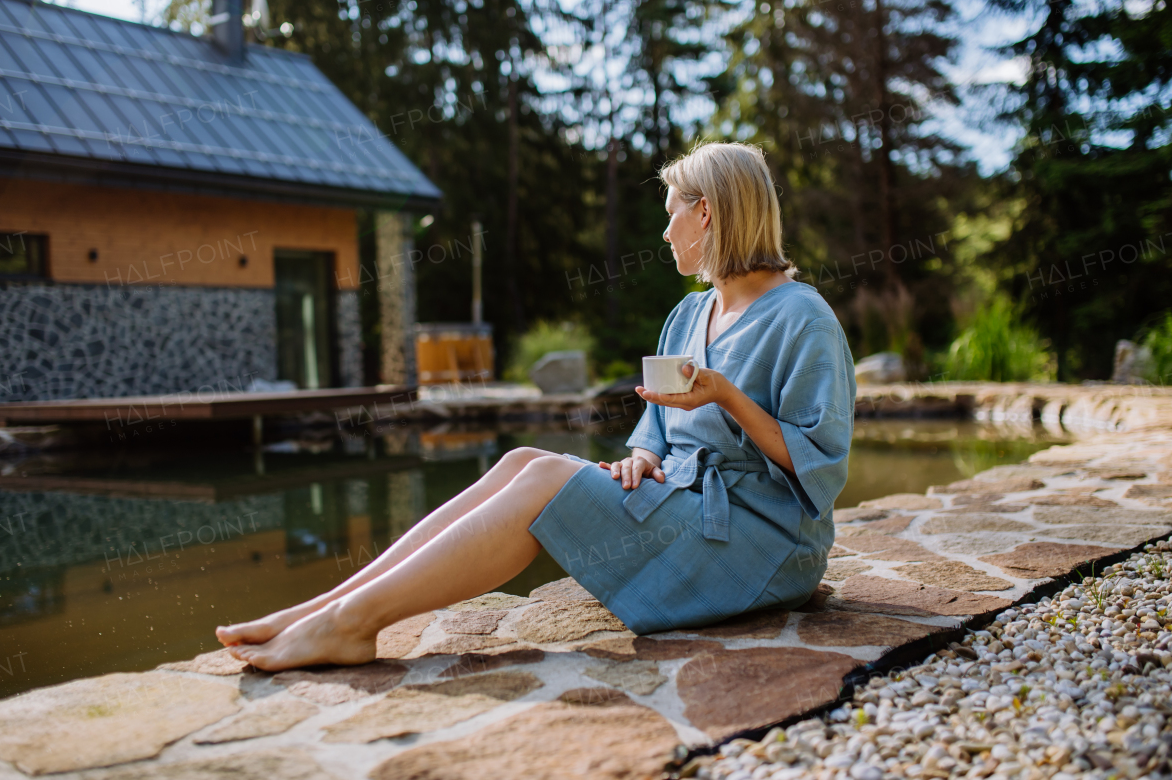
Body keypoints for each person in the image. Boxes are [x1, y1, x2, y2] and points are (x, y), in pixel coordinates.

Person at [218, 141, 856, 671]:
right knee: (522, 456)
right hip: (688, 506)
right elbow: (656, 430)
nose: (664, 233)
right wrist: (639, 458)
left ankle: (354, 624)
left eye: (672, 215)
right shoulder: (691, 312)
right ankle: (324, 609)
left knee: (549, 475)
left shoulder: (802, 318)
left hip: (764, 542)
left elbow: (819, 467)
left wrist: (726, 395)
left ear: (708, 214)